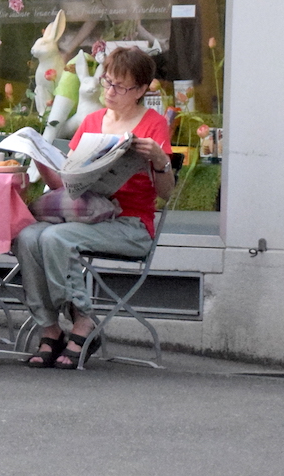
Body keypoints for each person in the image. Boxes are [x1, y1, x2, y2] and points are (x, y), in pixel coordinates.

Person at [15, 45, 173, 369]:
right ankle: (49, 327)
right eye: (107, 82)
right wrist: (42, 160)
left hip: (129, 225)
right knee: (28, 236)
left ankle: (83, 322)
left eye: (120, 86)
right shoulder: (91, 121)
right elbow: (67, 186)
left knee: (55, 239)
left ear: (141, 90)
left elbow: (166, 194)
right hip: (85, 216)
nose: (110, 91)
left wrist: (160, 160)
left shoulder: (153, 125)